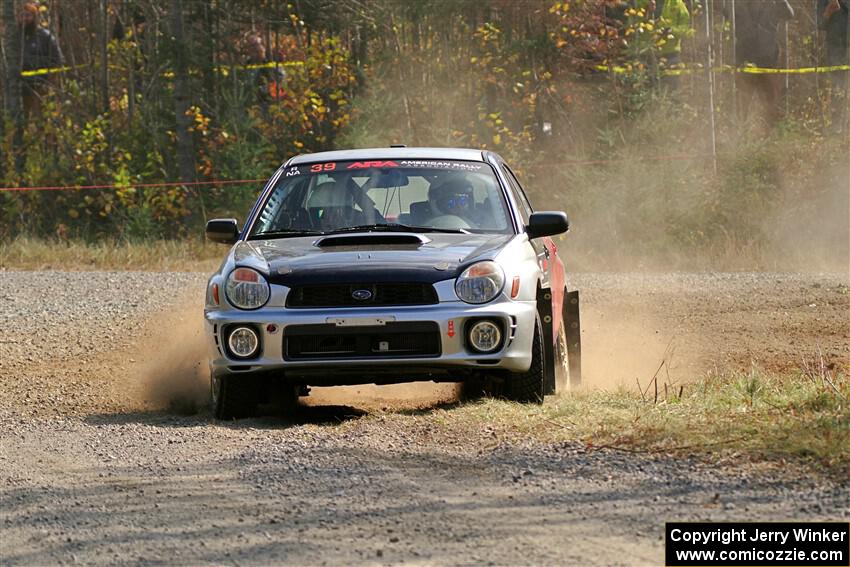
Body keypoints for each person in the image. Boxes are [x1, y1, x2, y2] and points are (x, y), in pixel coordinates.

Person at [727, 0, 795, 126]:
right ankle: (742, 131)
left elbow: (789, 14)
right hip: (745, 57)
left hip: (767, 58)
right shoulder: (738, 4)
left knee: (770, 98)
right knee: (743, 98)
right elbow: (727, 14)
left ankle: (771, 132)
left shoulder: (774, 4)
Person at [19, 2, 64, 117]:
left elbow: (57, 59)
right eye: (22, 15)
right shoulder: (15, 37)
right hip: (19, 86)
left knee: (41, 117)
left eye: (28, 15)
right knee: (20, 119)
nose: (24, 19)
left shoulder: (44, 36)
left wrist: (49, 81)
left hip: (39, 85)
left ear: (34, 17)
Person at [817, 0, 849, 133]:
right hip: (835, 49)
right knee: (838, 88)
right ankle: (837, 126)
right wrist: (829, 10)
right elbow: (820, 24)